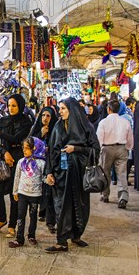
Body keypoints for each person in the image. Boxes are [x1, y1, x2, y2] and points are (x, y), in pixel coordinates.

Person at [45, 97, 100, 252]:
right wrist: (49, 172)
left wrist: (76, 149)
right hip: (61, 174)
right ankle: (62, 241)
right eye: (60, 108)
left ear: (72, 110)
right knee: (61, 206)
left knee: (79, 205)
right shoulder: (57, 127)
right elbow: (51, 151)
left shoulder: (86, 127)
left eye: (63, 109)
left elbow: (95, 150)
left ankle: (76, 235)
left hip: (79, 175)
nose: (60, 112)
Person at [0, 94, 32, 237]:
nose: (10, 108)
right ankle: (2, 219)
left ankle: (12, 225)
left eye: (14, 106)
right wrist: (4, 152)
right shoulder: (2, 120)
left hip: (18, 158)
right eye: (9, 105)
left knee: (14, 194)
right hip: (3, 158)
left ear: (20, 106)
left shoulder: (26, 122)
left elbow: (16, 138)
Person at [9, 136, 46, 248]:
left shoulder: (41, 163)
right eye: (23, 148)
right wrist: (15, 191)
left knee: (33, 215)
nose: (24, 150)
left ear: (35, 148)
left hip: (35, 194)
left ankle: (31, 235)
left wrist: (49, 180)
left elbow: (44, 178)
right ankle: (19, 238)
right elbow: (17, 177)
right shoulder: (21, 162)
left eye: (27, 148)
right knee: (20, 216)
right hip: (22, 193)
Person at [96, 100, 133, 209]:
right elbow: (130, 138)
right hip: (122, 148)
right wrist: (128, 148)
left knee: (105, 173)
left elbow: (99, 138)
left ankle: (105, 195)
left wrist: (100, 150)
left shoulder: (103, 122)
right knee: (122, 174)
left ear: (108, 109)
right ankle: (123, 198)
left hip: (107, 149)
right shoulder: (125, 121)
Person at [29, 106, 58, 233]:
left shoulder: (56, 130)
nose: (45, 118)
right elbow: (29, 143)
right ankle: (41, 212)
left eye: (48, 116)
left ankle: (51, 220)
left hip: (50, 164)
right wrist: (40, 134)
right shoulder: (36, 129)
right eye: (43, 115)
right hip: (36, 165)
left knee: (50, 190)